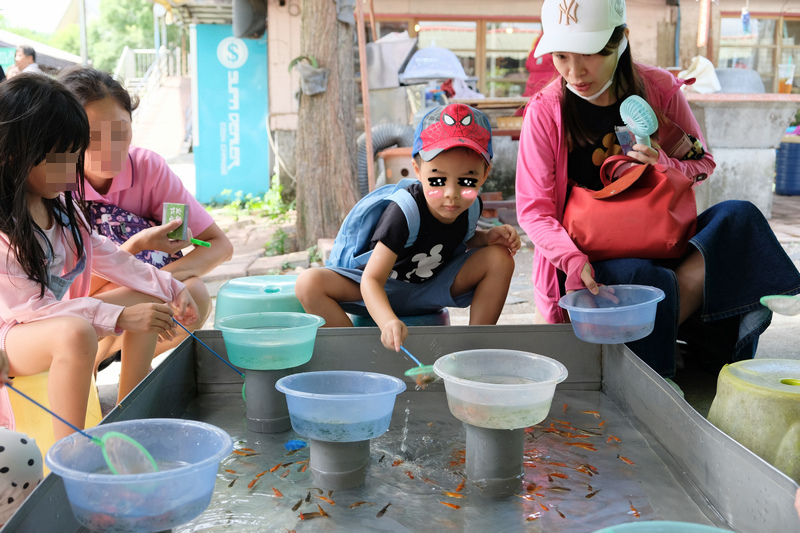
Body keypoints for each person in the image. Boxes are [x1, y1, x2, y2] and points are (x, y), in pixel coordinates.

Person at [515, 0, 800, 378]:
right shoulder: (547, 110)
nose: (575, 71)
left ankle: (729, 333)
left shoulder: (659, 89)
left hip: (663, 239)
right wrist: (572, 261)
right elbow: (534, 211)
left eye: (591, 54)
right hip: (589, 258)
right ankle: (660, 381)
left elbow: (703, 163)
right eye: (561, 56)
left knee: (740, 217)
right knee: (648, 278)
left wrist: (664, 162)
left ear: (621, 41)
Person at [0, 74, 199, 439]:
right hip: (11, 339)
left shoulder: (60, 206)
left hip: (53, 324)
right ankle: (72, 454)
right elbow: (31, 312)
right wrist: (119, 315)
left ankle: (128, 418)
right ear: (17, 156)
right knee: (74, 335)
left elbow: (106, 253)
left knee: (150, 298)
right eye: (61, 159)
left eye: (75, 156)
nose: (72, 171)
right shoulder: (5, 230)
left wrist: (170, 286)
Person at [295, 103, 521, 351]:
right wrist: (387, 320)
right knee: (308, 283)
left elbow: (452, 239)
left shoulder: (471, 206)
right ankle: (354, 351)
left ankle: (475, 348)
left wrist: (487, 238)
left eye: (466, 181)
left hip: (430, 287)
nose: (451, 194)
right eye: (438, 179)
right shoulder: (404, 210)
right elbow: (371, 280)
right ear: (417, 170)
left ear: (485, 173)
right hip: (382, 287)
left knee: (500, 258)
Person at [57, 66, 233, 371]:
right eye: (94, 136)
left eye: (121, 132)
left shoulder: (147, 167)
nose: (111, 147)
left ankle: (131, 387)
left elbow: (219, 246)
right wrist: (137, 249)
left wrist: (157, 282)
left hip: (125, 297)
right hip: (74, 309)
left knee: (194, 293)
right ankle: (84, 373)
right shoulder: (54, 180)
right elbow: (65, 290)